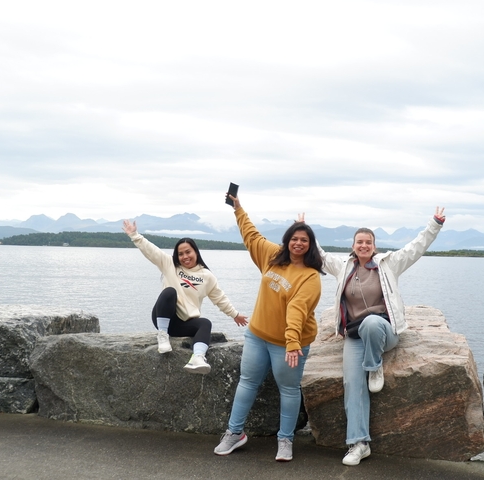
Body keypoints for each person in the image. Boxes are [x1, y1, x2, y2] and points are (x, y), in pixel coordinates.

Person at [314, 207, 445, 466]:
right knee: (352, 385)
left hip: (383, 332)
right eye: (359, 242)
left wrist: (435, 224)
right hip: (355, 337)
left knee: (372, 322)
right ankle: (359, 444)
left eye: (368, 242)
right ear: (353, 246)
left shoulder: (388, 264)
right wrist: (305, 229)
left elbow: (416, 248)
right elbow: (319, 255)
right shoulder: (344, 268)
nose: (364, 245)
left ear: (374, 246)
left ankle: (375, 366)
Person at [213, 193, 323, 462]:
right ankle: (235, 432)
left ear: (310, 246)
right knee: (247, 382)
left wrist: (293, 342)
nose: (298, 243)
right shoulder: (273, 256)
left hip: (288, 345)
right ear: (287, 240)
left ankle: (285, 440)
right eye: (294, 238)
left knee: (288, 389)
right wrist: (238, 209)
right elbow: (252, 236)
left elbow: (297, 310)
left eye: (304, 240)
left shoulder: (310, 277)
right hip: (257, 335)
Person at [122, 219, 248, 374]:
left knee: (205, 323)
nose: (185, 256)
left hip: (183, 324)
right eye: (180, 254)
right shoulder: (169, 264)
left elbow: (219, 298)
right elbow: (151, 250)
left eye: (188, 252)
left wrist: (234, 315)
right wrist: (134, 235)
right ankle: (162, 337)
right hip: (164, 319)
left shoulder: (207, 276)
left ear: (195, 252)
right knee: (169, 292)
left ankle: (197, 357)